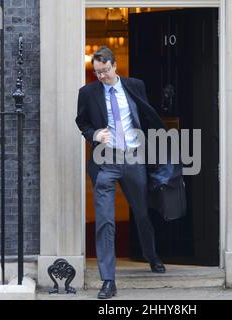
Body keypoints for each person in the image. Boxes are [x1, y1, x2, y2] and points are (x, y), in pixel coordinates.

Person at [76, 46, 167, 299]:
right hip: (105, 161)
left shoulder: (135, 86)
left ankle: (151, 255)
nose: (101, 76)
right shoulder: (87, 93)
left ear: (115, 66)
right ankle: (108, 280)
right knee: (105, 220)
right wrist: (94, 134)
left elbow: (146, 117)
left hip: (134, 159)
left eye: (104, 71)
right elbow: (81, 122)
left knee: (141, 212)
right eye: (97, 73)